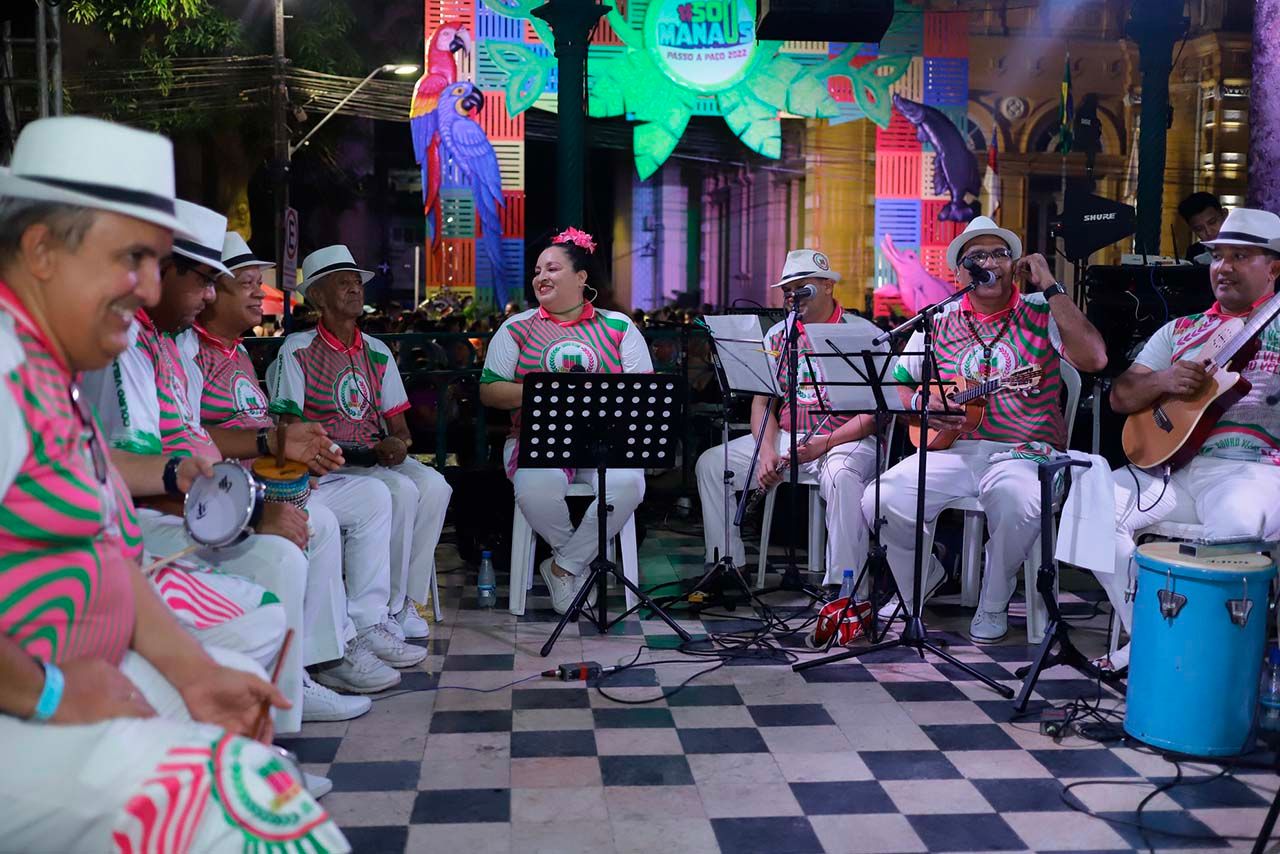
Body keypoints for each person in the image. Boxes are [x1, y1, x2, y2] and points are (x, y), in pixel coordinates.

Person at [0, 115, 348, 852]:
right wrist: (48, 692)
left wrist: (192, 673)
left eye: (159, 263)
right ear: (41, 251)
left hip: (68, 674)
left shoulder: (47, 368)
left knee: (230, 681)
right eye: (133, 257)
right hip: (24, 701)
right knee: (253, 810)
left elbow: (104, 547)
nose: (152, 288)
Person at [84, 201, 371, 730]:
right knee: (283, 558)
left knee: (355, 507)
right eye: (203, 281)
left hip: (196, 502)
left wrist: (273, 453)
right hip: (143, 527)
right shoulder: (128, 347)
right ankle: (281, 709)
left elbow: (174, 456)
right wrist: (251, 511)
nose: (210, 295)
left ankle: (304, 678)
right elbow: (128, 476)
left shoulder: (160, 342)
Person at [180, 232, 427, 691]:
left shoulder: (236, 351)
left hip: (275, 477)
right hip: (233, 490)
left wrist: (290, 456)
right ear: (211, 291)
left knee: (380, 495)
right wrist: (276, 445)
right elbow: (190, 437)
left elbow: (396, 425)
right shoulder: (192, 351)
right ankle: (322, 659)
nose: (260, 292)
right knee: (327, 520)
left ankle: (369, 622)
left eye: (259, 282)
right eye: (247, 283)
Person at [871, 216, 1107, 643]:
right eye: (977, 256)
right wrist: (922, 403)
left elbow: (1095, 359)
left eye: (1000, 254)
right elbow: (897, 385)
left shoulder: (1042, 311)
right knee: (879, 499)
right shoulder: (939, 319)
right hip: (956, 449)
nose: (990, 262)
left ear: (1015, 265)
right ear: (959, 273)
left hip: (1027, 451)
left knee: (1015, 497)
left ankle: (994, 598)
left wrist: (1050, 285)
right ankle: (923, 577)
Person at [1090, 208, 1280, 672]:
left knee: (1233, 530)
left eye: (1240, 256)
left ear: (1274, 268)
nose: (1224, 267)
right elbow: (1120, 396)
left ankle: (1207, 664)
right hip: (1173, 469)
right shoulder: (1181, 329)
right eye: (1218, 256)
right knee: (1091, 508)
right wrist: (1164, 380)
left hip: (1255, 469)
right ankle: (1151, 638)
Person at [270, 244, 453, 638]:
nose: (355, 289)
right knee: (401, 491)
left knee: (436, 486)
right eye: (343, 283)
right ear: (318, 296)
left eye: (357, 282)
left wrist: (399, 445)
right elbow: (289, 422)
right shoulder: (297, 349)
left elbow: (399, 428)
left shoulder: (378, 351)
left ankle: (404, 601)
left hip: (374, 458)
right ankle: (381, 610)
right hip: (331, 463)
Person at [478, 227, 652, 613]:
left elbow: (642, 392)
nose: (541, 277)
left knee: (628, 485)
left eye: (553, 269)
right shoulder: (516, 327)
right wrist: (546, 392)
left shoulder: (619, 326)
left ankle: (563, 567)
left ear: (581, 277)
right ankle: (575, 562)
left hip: (605, 442)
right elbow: (489, 391)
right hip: (536, 439)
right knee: (535, 487)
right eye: (537, 271)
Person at [695, 249, 877, 586]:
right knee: (712, 464)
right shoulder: (778, 335)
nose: (794, 296)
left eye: (802, 287)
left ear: (827, 286)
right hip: (788, 438)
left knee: (841, 476)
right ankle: (727, 564)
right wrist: (766, 450)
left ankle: (845, 586)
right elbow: (762, 403)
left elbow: (876, 414)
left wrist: (824, 443)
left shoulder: (862, 332)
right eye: (788, 290)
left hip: (845, 439)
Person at [1177, 192, 1227, 264]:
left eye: (1212, 222)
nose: (1209, 232)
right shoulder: (1195, 252)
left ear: (1224, 214)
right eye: (1199, 229)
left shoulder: (1242, 245)